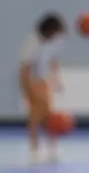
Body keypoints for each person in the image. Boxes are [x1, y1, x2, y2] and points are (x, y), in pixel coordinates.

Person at [18, 13, 66, 162]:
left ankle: (53, 146)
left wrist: (56, 80)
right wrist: (28, 89)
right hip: (31, 79)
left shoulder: (52, 43)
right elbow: (25, 67)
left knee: (49, 113)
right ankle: (34, 148)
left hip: (43, 79)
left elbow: (53, 60)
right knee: (35, 115)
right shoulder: (33, 43)